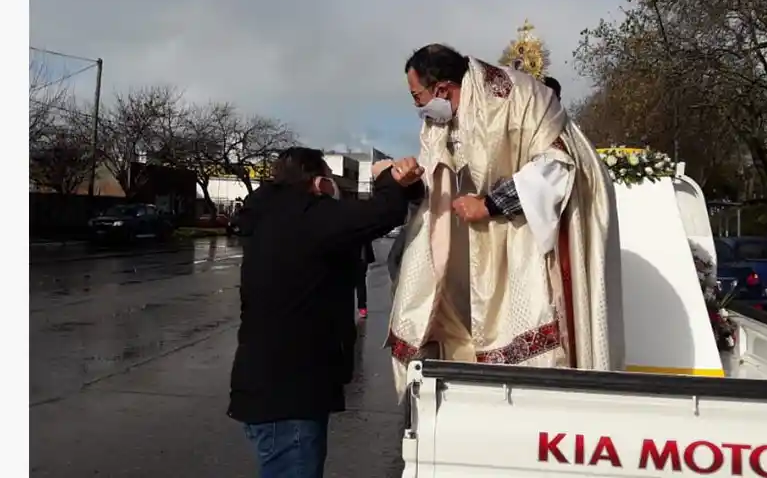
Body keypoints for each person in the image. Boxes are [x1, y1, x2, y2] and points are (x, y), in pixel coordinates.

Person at [387, 44, 623, 394]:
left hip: (542, 218)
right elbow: (436, 181)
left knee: (530, 311)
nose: (417, 106)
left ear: (441, 88)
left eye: (416, 96)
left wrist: (491, 205)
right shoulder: (439, 122)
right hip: (482, 236)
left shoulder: (515, 96)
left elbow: (556, 167)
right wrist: (409, 181)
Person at [228, 147, 425, 478]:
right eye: (331, 181)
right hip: (289, 397)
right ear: (318, 182)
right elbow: (382, 214)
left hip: (277, 390)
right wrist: (385, 178)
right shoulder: (304, 217)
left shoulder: (274, 215)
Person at [353, 240, 375, 319]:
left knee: (359, 282)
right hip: (361, 257)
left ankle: (362, 307)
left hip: (359, 258)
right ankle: (362, 308)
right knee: (360, 282)